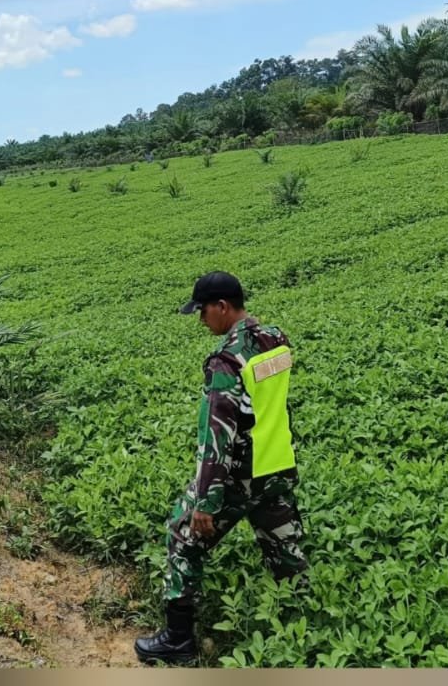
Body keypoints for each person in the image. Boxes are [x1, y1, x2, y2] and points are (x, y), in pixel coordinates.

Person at [135, 272, 306, 665]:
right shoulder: (276, 340)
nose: (201, 319)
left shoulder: (226, 361)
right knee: (285, 548)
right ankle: (303, 626)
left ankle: (179, 641)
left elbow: (218, 437)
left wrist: (206, 502)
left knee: (182, 536)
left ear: (223, 307)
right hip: (277, 465)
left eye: (203, 311)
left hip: (240, 475)